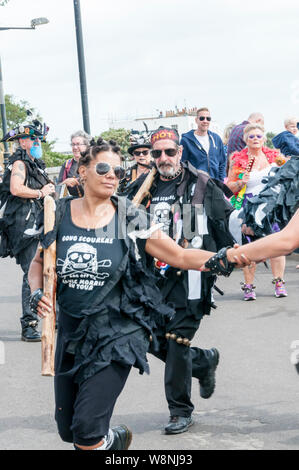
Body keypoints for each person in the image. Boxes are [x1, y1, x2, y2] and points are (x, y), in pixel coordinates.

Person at [28, 137, 243, 450]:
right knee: (69, 430)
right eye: (103, 167)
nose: (112, 175)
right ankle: (112, 442)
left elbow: (180, 256)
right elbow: (38, 262)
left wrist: (222, 258)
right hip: (71, 332)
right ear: (83, 170)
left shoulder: (129, 217)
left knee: (87, 432)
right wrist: (37, 293)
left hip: (116, 332)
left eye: (118, 170)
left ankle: (102, 438)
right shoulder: (59, 213)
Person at [123, 126, 235, 435]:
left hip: (191, 278)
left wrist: (234, 252)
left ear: (180, 152)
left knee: (176, 341)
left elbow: (226, 222)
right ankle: (202, 363)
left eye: (169, 152)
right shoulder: (139, 189)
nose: (163, 158)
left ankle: (179, 410)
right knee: (144, 336)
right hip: (152, 280)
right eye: (157, 153)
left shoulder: (201, 184)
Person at [0, 120, 55, 341]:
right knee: (31, 273)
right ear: (22, 142)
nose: (35, 142)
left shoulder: (35, 164)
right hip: (23, 228)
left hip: (39, 225)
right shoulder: (20, 164)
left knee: (47, 270)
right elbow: (16, 188)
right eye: (32, 139)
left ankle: (52, 317)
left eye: (37, 139)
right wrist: (41, 192)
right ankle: (29, 324)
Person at [226, 122, 288, 301]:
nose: (255, 139)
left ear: (264, 138)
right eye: (251, 137)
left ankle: (279, 282)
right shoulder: (238, 160)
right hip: (249, 206)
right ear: (245, 140)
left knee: (277, 245)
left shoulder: (274, 156)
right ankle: (248, 286)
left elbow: (287, 172)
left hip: (271, 205)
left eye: (258, 136)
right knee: (249, 247)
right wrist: (241, 182)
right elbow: (230, 187)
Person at [180, 107, 227, 181]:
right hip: (196, 185)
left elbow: (222, 163)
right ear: (196, 120)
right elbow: (183, 164)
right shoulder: (186, 140)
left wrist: (221, 180)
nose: (205, 121)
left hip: (215, 185)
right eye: (202, 118)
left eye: (208, 119)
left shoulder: (216, 139)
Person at [57, 130, 91, 197]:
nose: (75, 147)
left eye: (78, 144)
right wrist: (65, 182)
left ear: (86, 146)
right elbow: (58, 188)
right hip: (74, 205)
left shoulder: (93, 162)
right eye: (73, 144)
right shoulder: (67, 164)